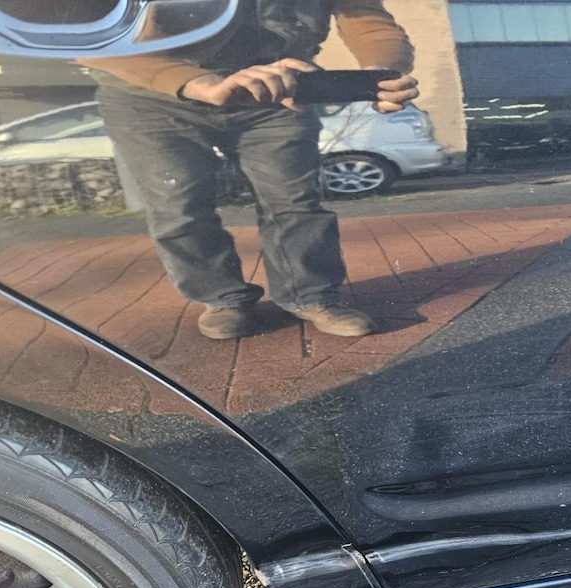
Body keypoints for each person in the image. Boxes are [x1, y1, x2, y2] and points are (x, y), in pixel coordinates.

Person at [84, 0, 418, 339]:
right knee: (178, 205)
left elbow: (367, 19)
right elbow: (85, 33)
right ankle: (222, 299)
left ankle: (311, 296)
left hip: (275, 91)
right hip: (149, 96)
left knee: (294, 200)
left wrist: (382, 74)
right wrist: (201, 83)